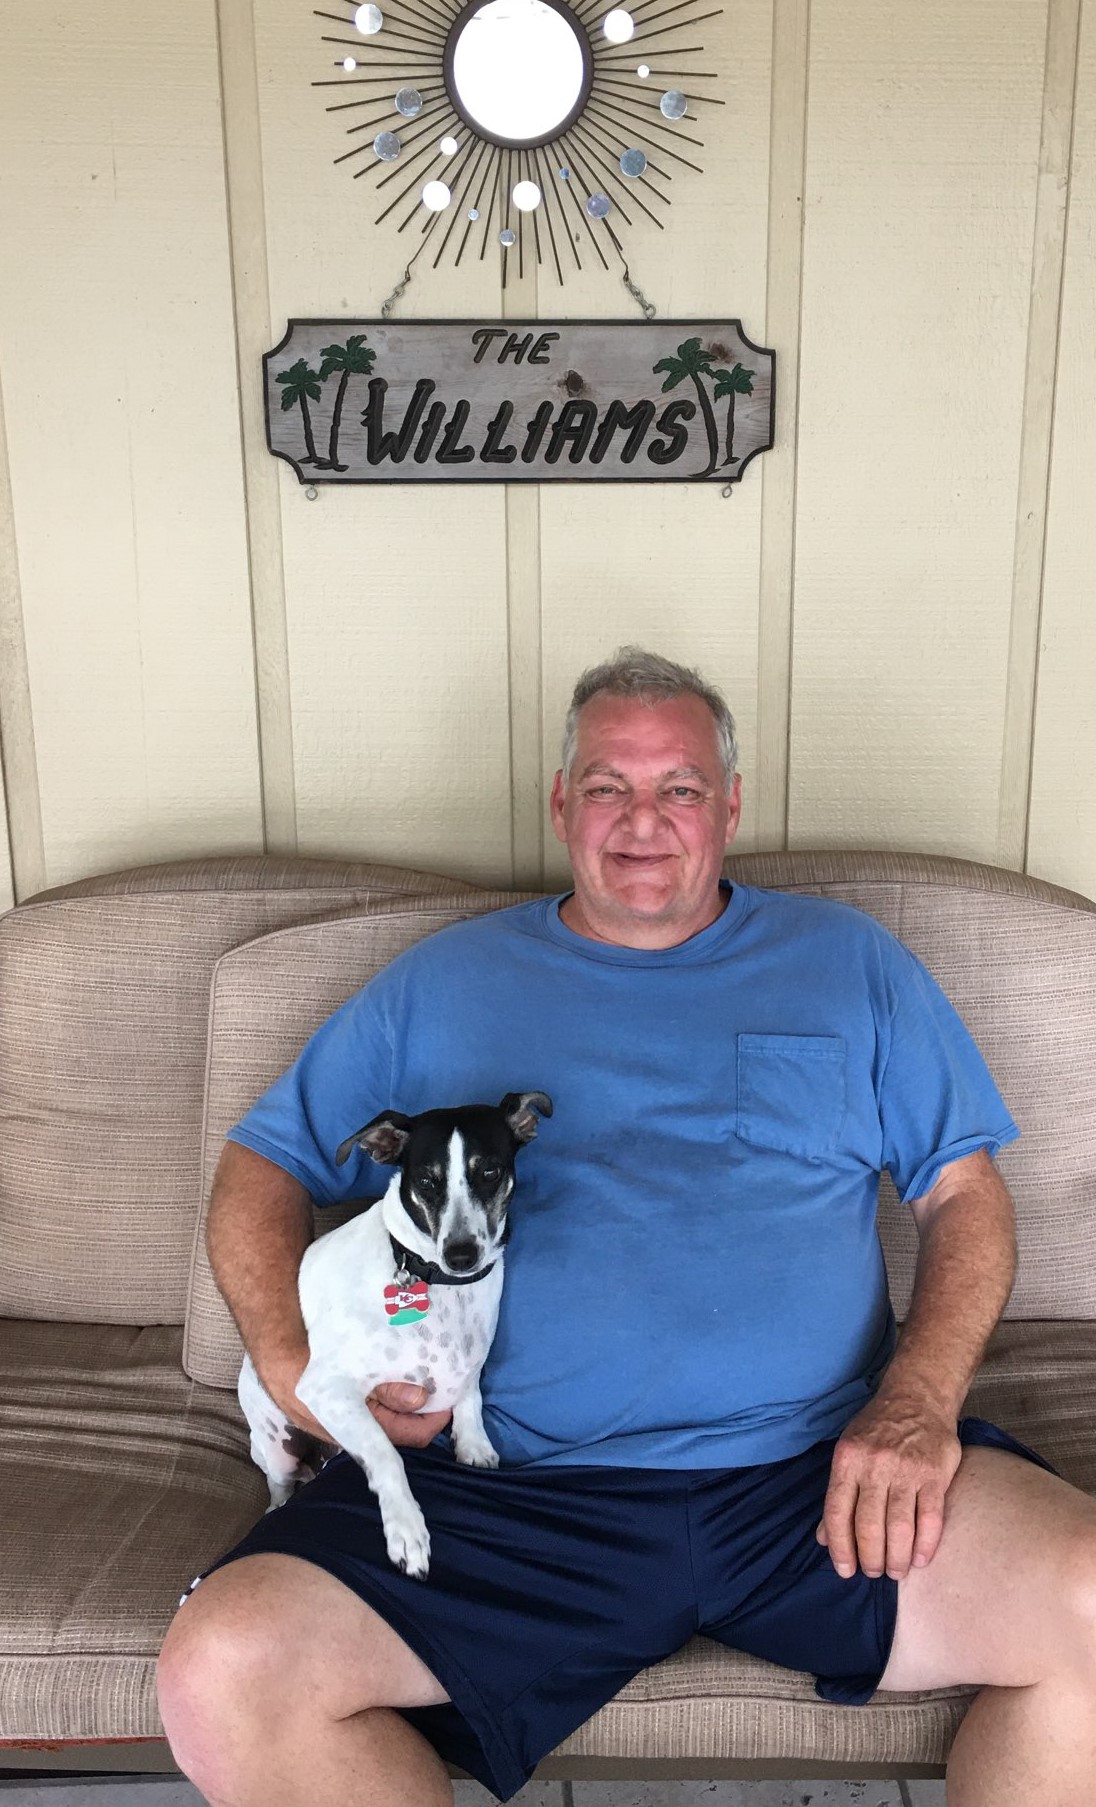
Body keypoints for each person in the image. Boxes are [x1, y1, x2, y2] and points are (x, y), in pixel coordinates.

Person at [157, 648, 1096, 1807]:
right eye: (608, 786)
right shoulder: (444, 985)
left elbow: (966, 1198)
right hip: (514, 1494)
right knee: (223, 1671)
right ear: (561, 806)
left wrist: (916, 1402)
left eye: (680, 788)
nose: (642, 822)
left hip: (814, 1476)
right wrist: (301, 1377)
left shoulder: (849, 963)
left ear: (730, 806)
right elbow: (261, 1165)